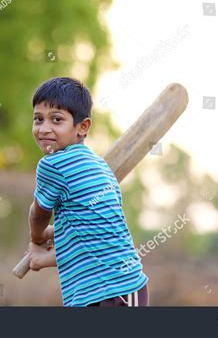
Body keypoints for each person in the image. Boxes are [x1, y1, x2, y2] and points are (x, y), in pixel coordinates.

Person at [27, 77, 149, 307]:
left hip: (113, 291)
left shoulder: (52, 165)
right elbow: (88, 243)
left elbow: (38, 214)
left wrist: (37, 239)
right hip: (114, 292)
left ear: (82, 127)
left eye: (56, 120)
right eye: (38, 119)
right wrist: (53, 236)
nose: (44, 129)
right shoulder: (98, 165)